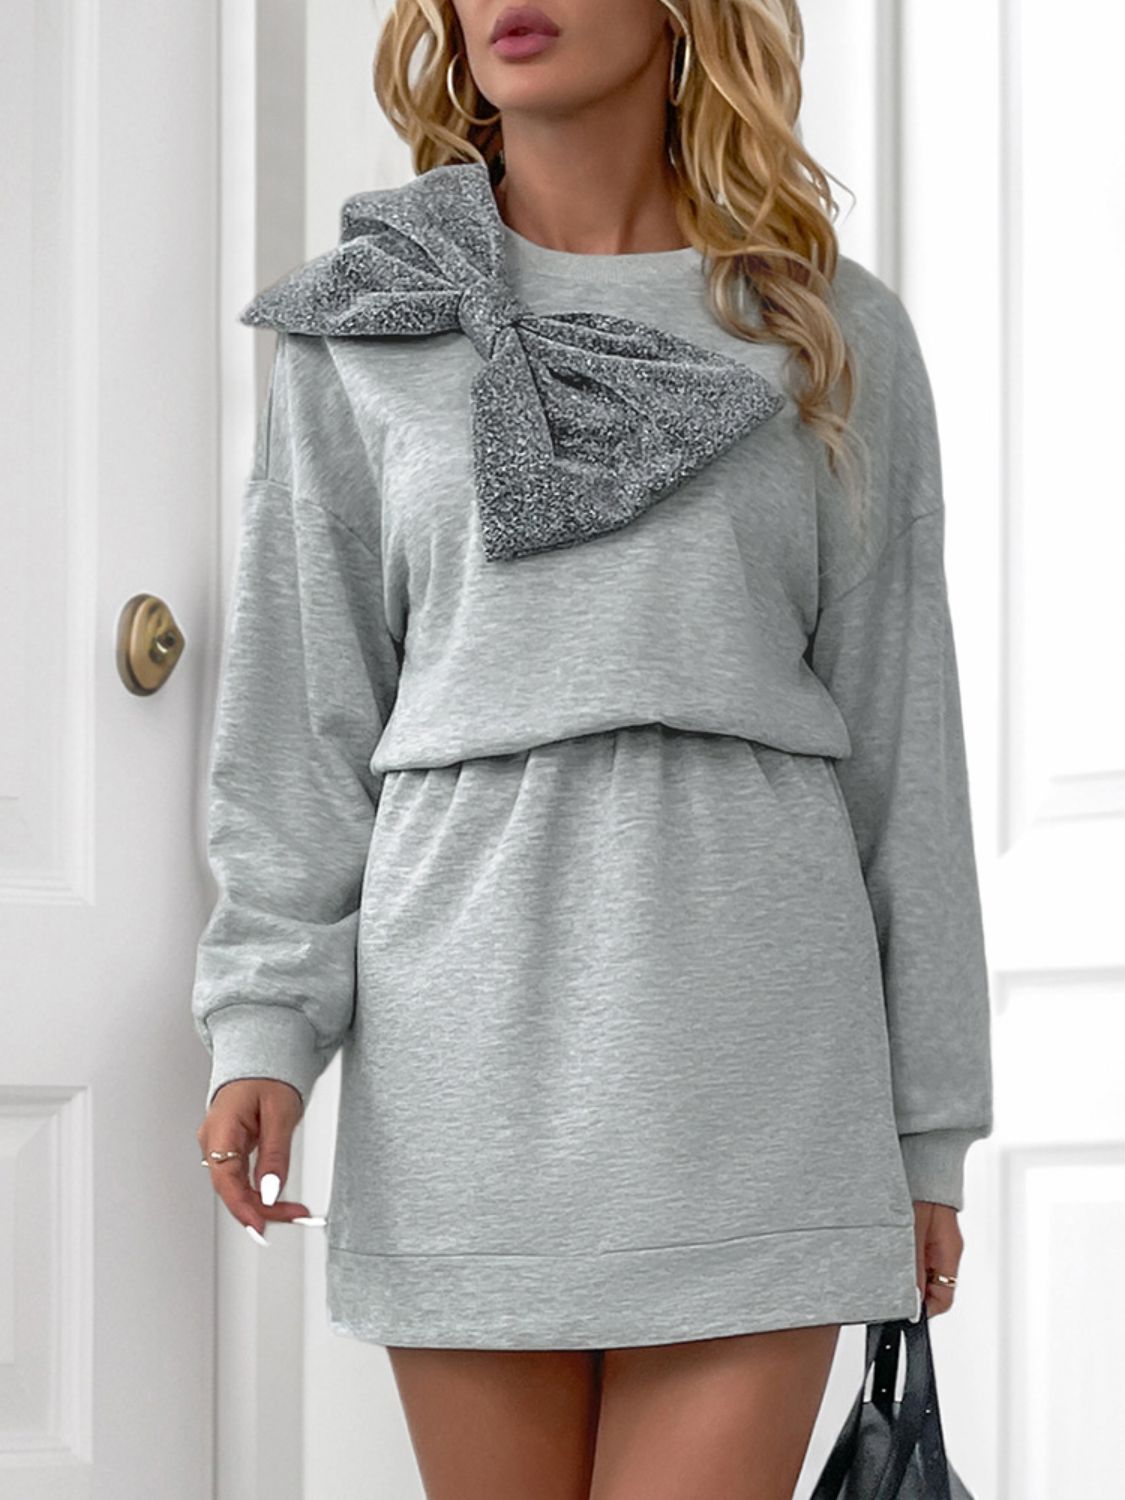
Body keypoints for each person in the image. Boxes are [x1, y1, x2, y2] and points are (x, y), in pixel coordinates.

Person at [191, 1, 994, 1495]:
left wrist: (930, 1127)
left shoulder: (827, 326)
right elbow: (303, 715)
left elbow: (904, 737)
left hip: (760, 1053)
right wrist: (264, 1025)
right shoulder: (365, 322)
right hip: (465, 1052)